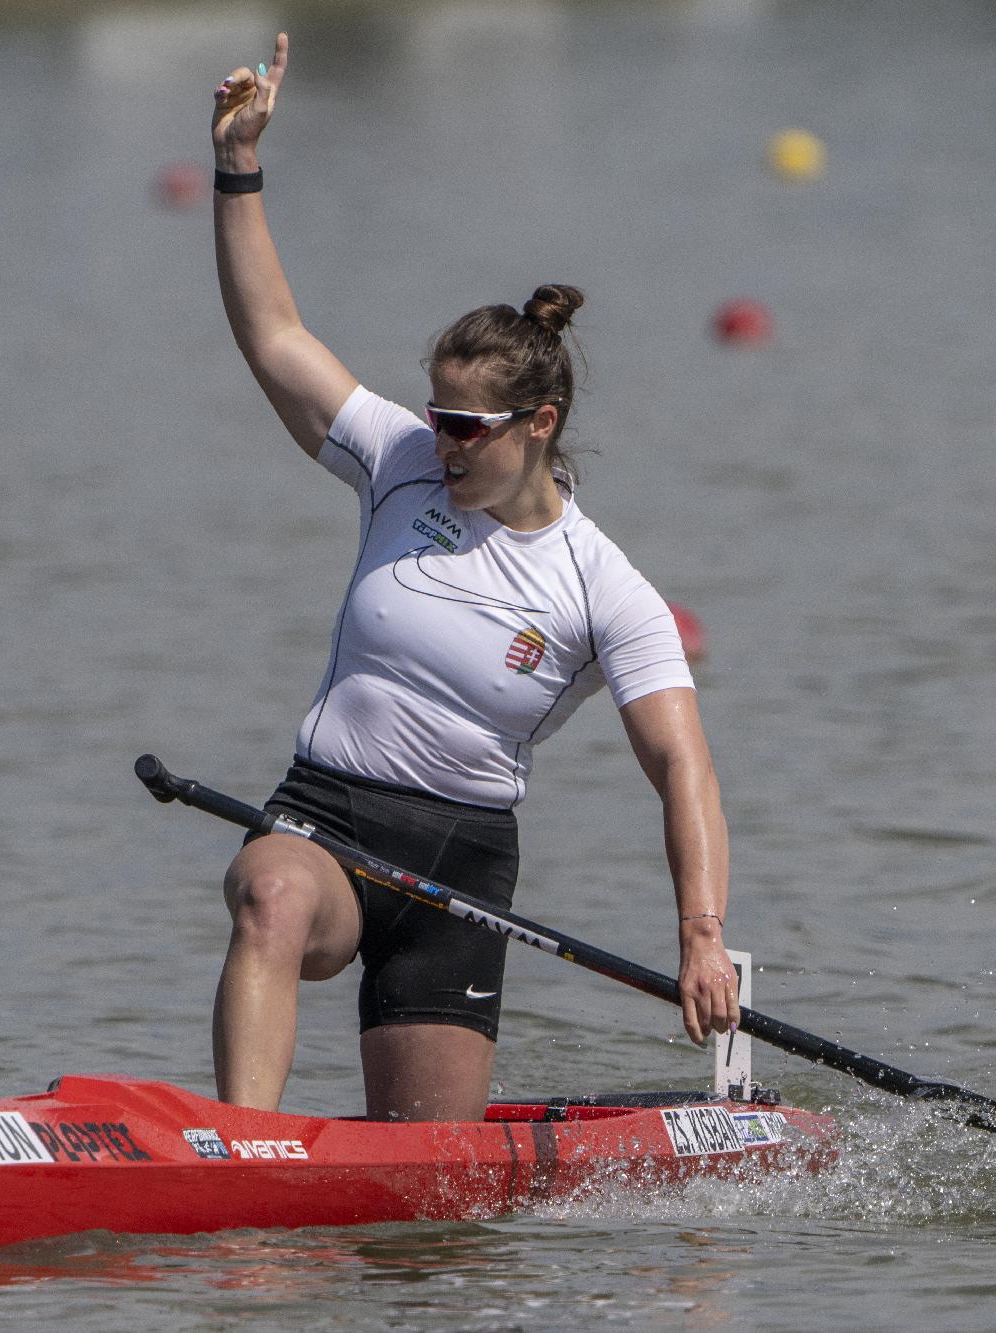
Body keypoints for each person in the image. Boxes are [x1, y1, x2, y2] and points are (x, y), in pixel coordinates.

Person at [210, 32, 739, 1123]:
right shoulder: (396, 462)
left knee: (438, 1228)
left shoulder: (605, 590)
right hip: (327, 819)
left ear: (537, 426)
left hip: (460, 865)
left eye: (464, 426)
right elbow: (273, 334)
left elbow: (681, 765)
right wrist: (238, 166)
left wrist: (699, 939)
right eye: (433, 414)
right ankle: (239, 1157)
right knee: (264, 893)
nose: (438, 442)